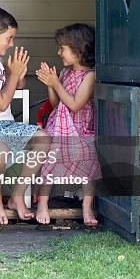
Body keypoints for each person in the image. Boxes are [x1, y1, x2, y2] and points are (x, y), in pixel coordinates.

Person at [0, 6, 50, 225]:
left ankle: (17, 195)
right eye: (9, 38)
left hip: (7, 125)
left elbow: (17, 89)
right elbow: (1, 103)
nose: (11, 44)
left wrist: (16, 74)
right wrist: (13, 76)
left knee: (43, 138)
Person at [35, 23, 101, 226]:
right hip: (59, 128)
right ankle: (42, 204)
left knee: (90, 157)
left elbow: (74, 104)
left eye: (62, 48)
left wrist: (55, 83)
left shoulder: (90, 76)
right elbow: (57, 106)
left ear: (78, 49)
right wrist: (51, 85)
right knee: (49, 156)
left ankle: (86, 206)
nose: (58, 52)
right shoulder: (64, 73)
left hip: (81, 129)